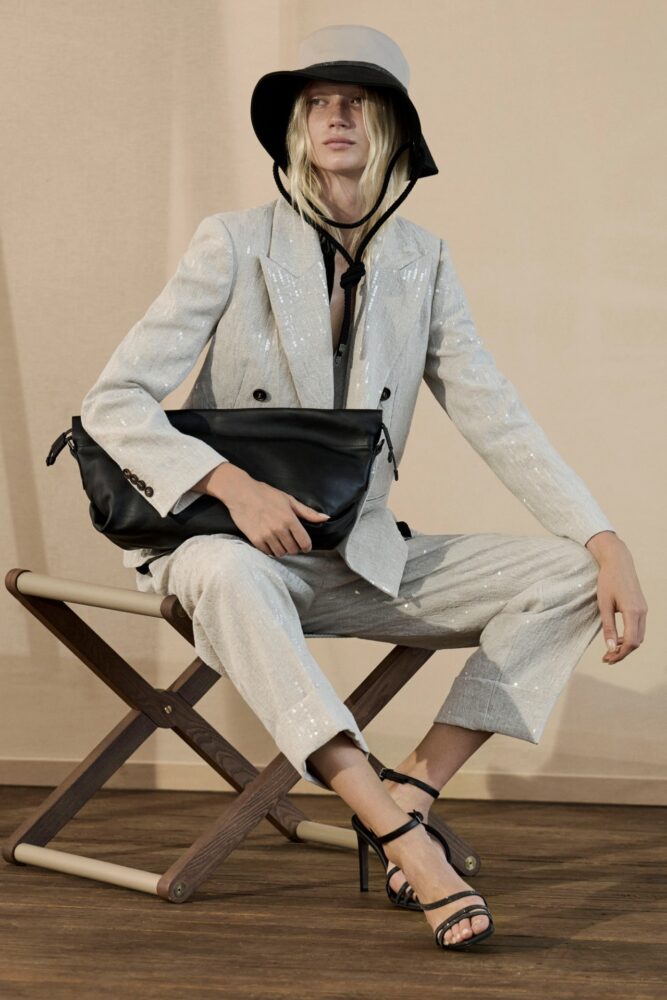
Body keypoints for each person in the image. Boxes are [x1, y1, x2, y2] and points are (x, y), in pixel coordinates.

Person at [80, 25, 647, 951]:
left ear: (390, 127)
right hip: (231, 547)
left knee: (571, 577)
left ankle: (413, 787)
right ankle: (395, 834)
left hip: (357, 551)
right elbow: (112, 401)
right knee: (226, 572)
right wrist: (232, 485)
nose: (335, 115)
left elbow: (494, 415)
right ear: (296, 128)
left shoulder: (423, 261)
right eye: (316, 101)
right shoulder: (234, 243)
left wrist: (602, 539)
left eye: (357, 100)